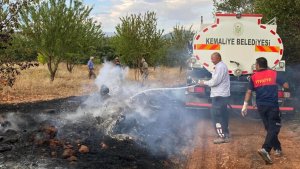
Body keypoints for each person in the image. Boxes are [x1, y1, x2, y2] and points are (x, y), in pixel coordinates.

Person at [241, 57, 289, 165]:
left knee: (269, 127)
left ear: (258, 65)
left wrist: (244, 106)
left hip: (261, 107)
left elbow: (249, 92)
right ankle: (265, 149)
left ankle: (278, 148)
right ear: (266, 65)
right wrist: (282, 86)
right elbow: (286, 85)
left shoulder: (254, 77)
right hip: (272, 105)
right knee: (275, 127)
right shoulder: (274, 74)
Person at [198, 52, 230, 144]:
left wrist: (203, 83)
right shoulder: (221, 66)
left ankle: (221, 137)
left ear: (219, 58)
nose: (212, 60)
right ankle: (226, 134)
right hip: (222, 95)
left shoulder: (220, 67)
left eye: (213, 58)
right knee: (223, 115)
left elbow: (215, 82)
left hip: (218, 95)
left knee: (217, 116)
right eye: (211, 58)